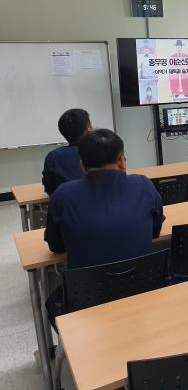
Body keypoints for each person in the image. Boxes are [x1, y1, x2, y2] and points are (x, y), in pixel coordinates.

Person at [44, 129, 164, 326]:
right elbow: (155, 231)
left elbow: (56, 245)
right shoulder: (143, 185)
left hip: (87, 298)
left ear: (82, 166)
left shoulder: (63, 195)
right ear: (122, 161)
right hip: (144, 287)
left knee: (51, 302)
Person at [42, 109, 92, 195]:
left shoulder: (53, 157)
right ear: (88, 130)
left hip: (67, 206)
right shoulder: (102, 151)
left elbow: (49, 189)